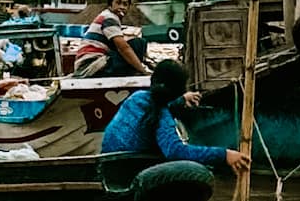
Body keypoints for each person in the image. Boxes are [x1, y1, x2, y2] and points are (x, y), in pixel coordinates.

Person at [100, 59, 250, 175]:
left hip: (108, 165)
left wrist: (182, 100)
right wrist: (224, 154)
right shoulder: (161, 116)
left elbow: (158, 103)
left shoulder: (137, 98)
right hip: (127, 173)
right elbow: (174, 151)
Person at [72, 0, 150, 78]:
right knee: (138, 43)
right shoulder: (109, 18)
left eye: (125, 4)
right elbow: (123, 48)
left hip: (90, 64)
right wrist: (143, 71)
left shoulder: (107, 16)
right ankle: (134, 72)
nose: (122, 7)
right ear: (110, 4)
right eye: (118, 3)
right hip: (91, 66)